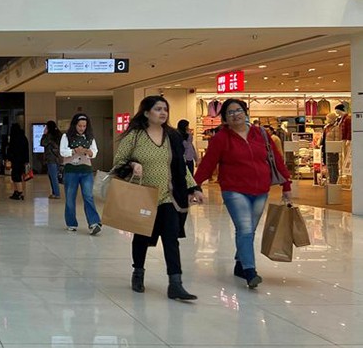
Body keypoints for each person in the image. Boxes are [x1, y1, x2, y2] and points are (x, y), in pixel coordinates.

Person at [113, 96, 204, 301]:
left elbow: (180, 167)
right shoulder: (135, 136)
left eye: (165, 109)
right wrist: (132, 165)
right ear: (146, 113)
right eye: (158, 109)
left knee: (171, 238)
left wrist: (194, 187)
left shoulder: (171, 136)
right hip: (143, 196)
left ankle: (176, 283)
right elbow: (119, 161)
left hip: (167, 196)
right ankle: (138, 272)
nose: (163, 113)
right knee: (142, 237)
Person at [194, 98, 292, 289]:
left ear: (246, 112)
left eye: (238, 110)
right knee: (245, 229)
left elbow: (276, 160)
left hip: (261, 189)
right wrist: (194, 185)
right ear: (224, 118)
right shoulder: (221, 139)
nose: (235, 115)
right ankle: (250, 271)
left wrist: (286, 185)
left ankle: (240, 263)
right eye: (230, 113)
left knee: (250, 230)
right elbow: (208, 164)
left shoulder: (261, 134)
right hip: (234, 190)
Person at [60, 113, 102, 234]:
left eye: (84, 126)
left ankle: (94, 223)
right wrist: (73, 151)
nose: (82, 128)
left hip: (86, 171)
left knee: (88, 196)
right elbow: (62, 151)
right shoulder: (66, 136)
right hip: (71, 171)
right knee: (70, 197)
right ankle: (71, 223)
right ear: (75, 125)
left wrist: (90, 153)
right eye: (80, 126)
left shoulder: (90, 137)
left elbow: (95, 152)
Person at [4, 123, 29, 200]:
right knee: (17, 176)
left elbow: (11, 149)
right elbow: (26, 150)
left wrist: (8, 157)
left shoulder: (14, 138)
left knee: (16, 176)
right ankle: (16, 191)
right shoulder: (23, 137)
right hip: (21, 160)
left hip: (16, 160)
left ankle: (19, 192)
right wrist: (26, 160)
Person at [40, 120, 63, 199]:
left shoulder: (49, 136)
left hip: (51, 159)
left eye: (46, 127)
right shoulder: (58, 134)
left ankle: (56, 193)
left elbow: (42, 143)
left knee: (53, 176)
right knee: (53, 176)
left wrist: (44, 134)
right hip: (56, 158)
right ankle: (54, 193)